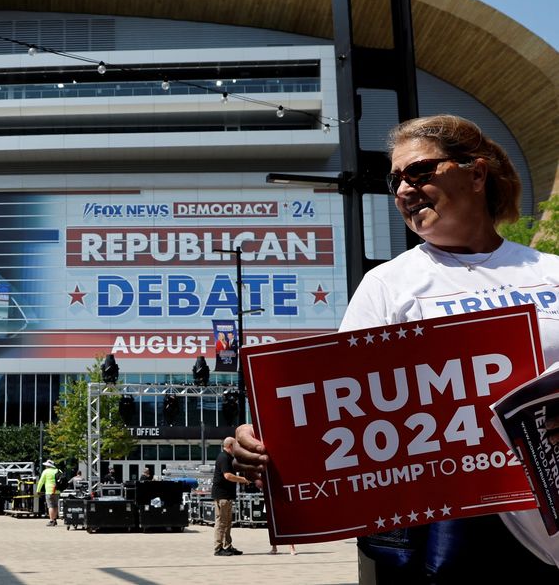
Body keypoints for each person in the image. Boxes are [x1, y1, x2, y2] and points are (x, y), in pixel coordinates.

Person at [233, 115, 559, 581]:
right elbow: (342, 406)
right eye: (396, 179)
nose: (405, 189)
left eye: (420, 171)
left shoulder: (550, 273)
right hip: (451, 532)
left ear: (476, 173)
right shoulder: (388, 284)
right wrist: (268, 443)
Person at [213, 436, 250, 557]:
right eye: (236, 446)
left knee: (228, 522)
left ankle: (227, 546)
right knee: (221, 523)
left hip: (227, 495)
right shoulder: (223, 457)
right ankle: (218, 548)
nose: (237, 448)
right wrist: (243, 480)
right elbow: (228, 476)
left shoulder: (228, 457)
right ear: (230, 446)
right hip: (222, 495)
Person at [36, 459, 60, 527]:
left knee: (50, 506)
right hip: (57, 490)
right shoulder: (57, 470)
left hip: (49, 491)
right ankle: (55, 519)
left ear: (47, 466)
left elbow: (41, 481)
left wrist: (38, 490)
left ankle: (51, 521)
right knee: (55, 506)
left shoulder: (46, 472)